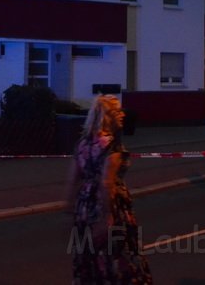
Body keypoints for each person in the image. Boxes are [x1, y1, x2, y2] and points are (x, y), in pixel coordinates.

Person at [67, 95, 152, 284]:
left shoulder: (83, 144)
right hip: (110, 205)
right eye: (117, 111)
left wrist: (70, 206)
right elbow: (107, 183)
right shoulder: (112, 146)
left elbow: (73, 178)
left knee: (89, 254)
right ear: (107, 116)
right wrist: (107, 216)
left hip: (84, 205)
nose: (122, 114)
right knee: (119, 255)